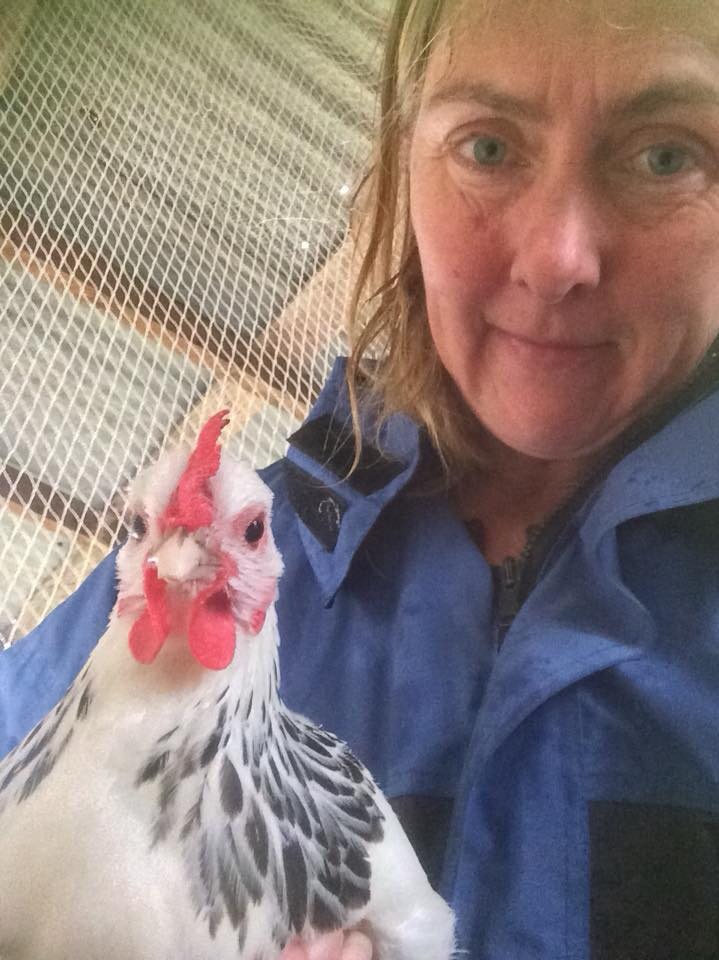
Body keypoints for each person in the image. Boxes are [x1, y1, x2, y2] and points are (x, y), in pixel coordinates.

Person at [4, 0, 719, 956]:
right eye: (488, 149)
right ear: (403, 171)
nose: (557, 259)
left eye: (664, 155)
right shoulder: (207, 570)